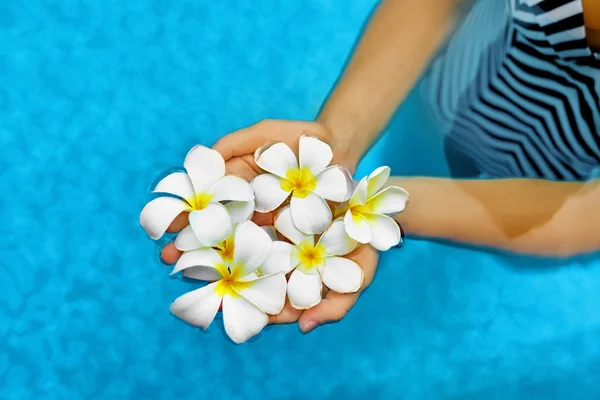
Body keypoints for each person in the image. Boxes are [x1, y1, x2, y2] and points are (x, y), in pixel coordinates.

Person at [162, 0, 600, 333]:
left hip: (560, 169)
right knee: (408, 158)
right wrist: (338, 144)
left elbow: (589, 215)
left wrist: (379, 214)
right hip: (448, 90)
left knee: (524, 262)